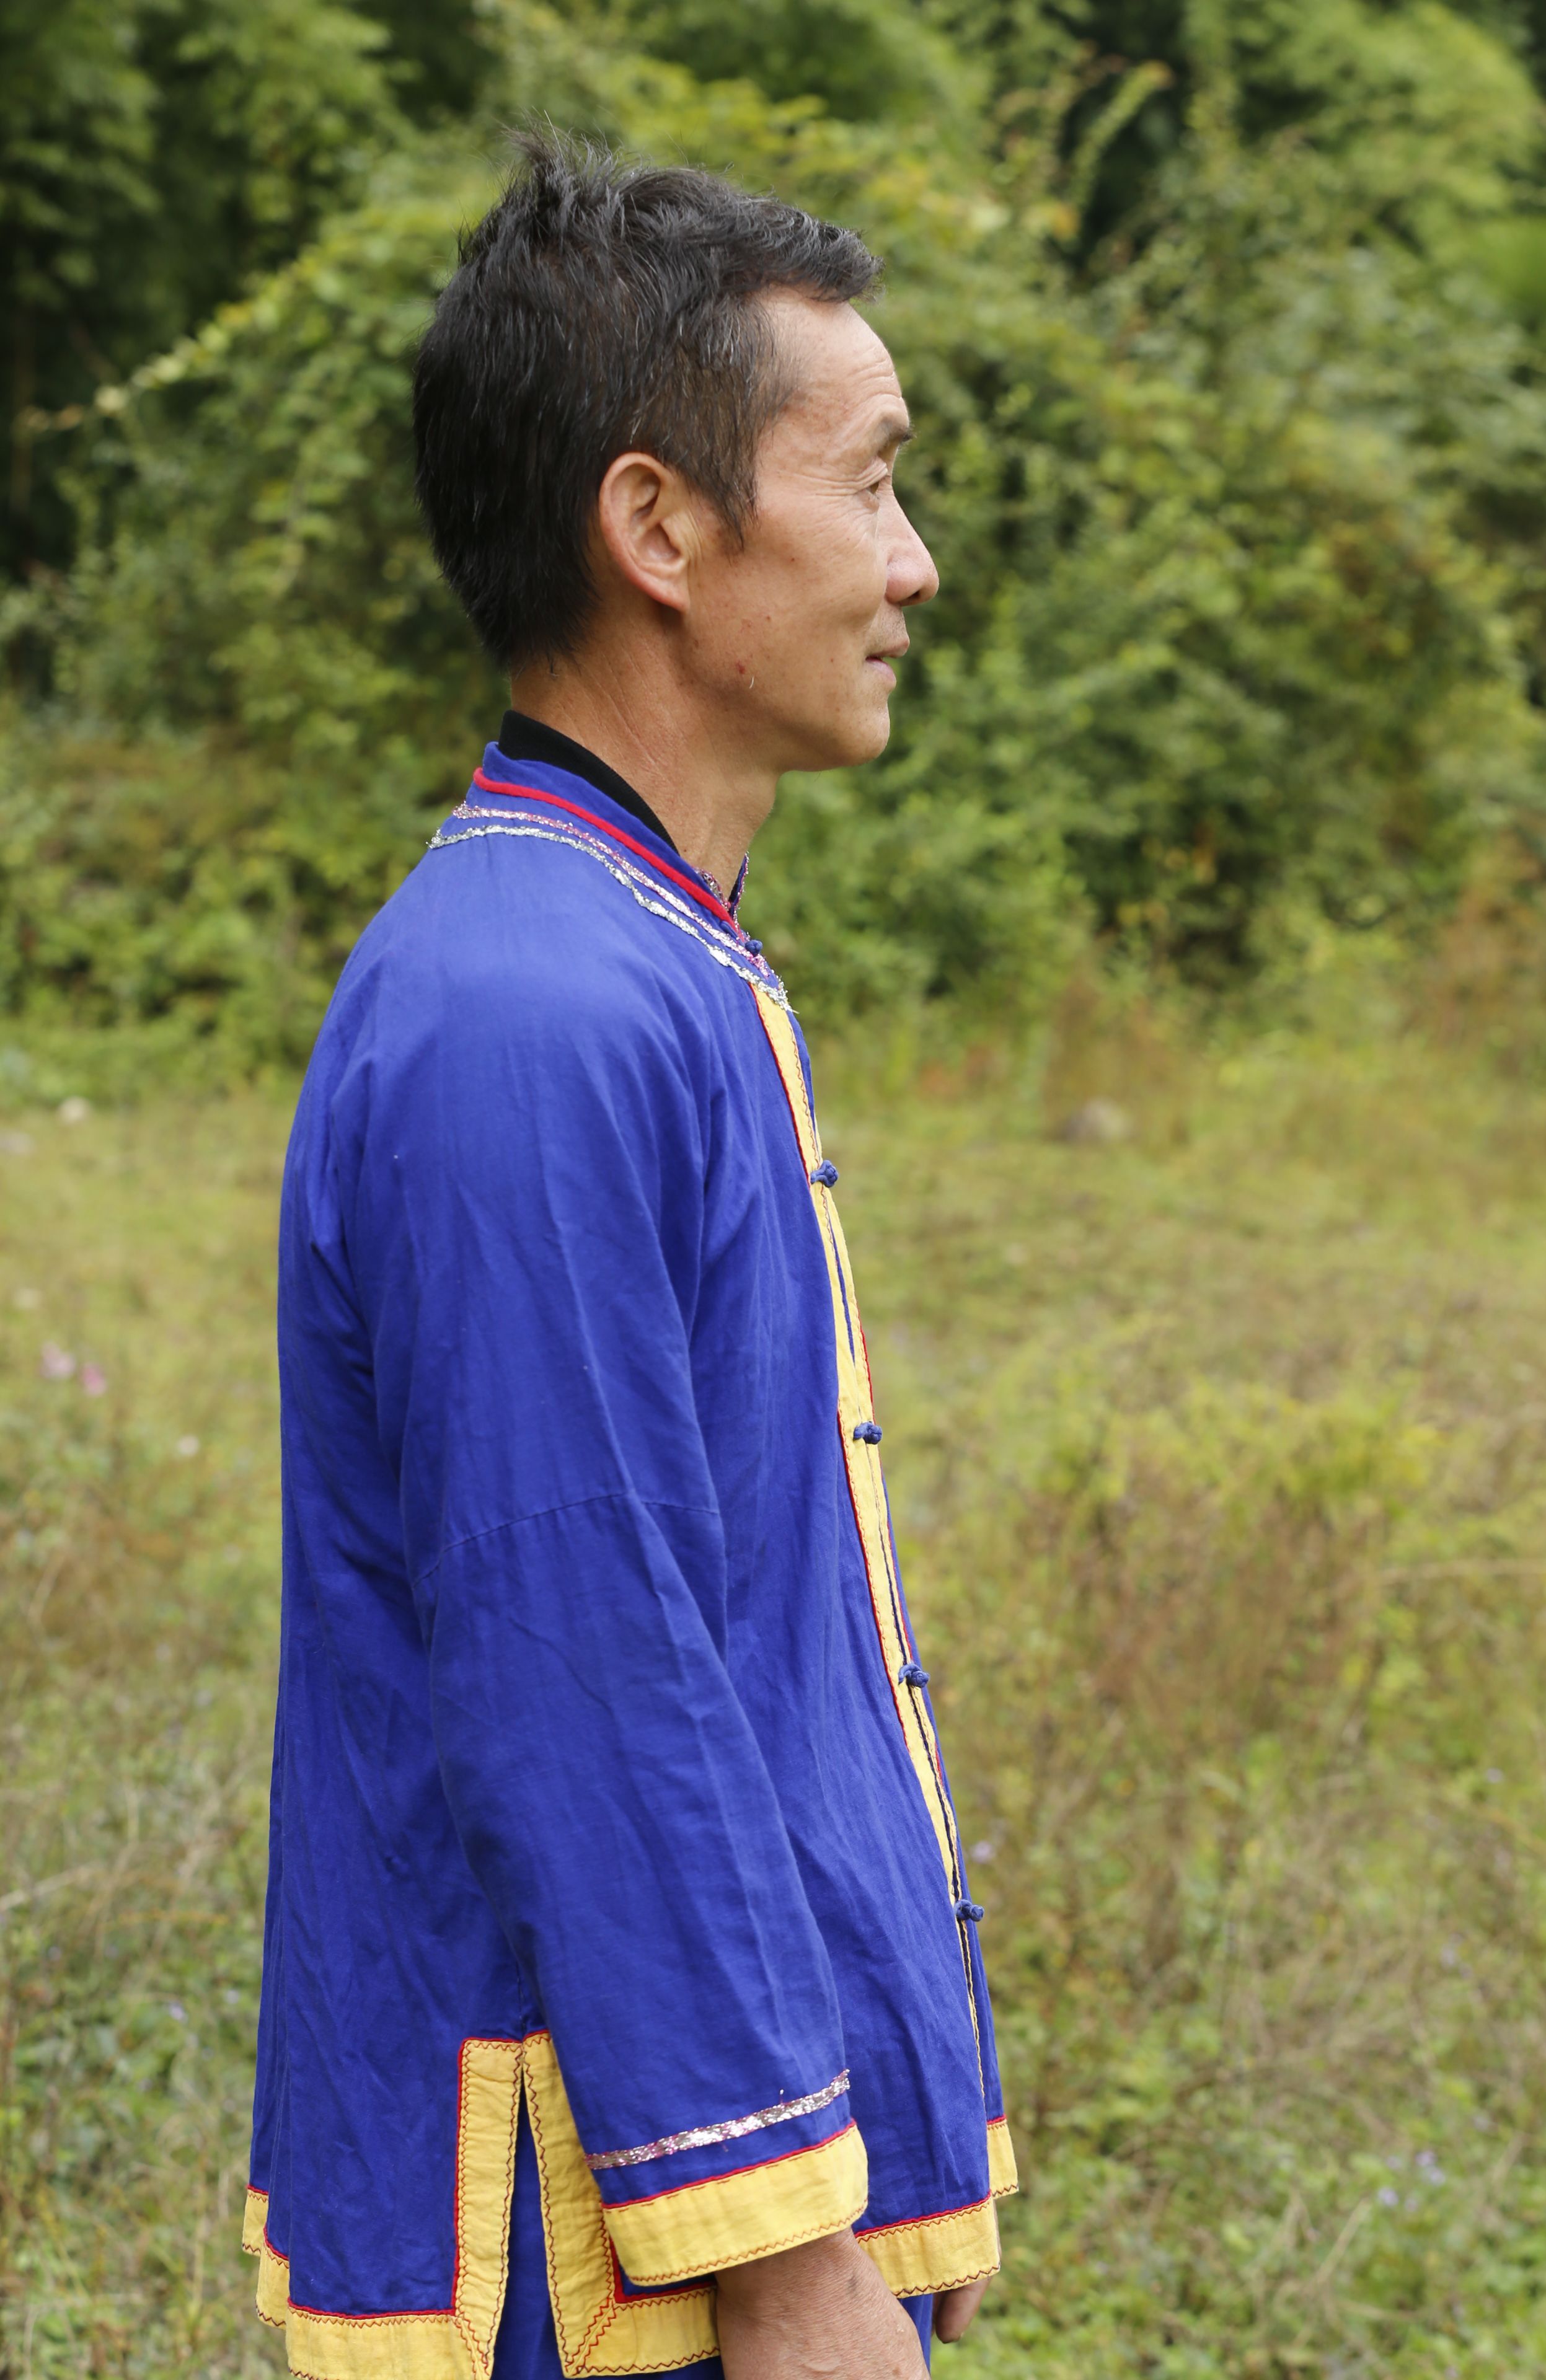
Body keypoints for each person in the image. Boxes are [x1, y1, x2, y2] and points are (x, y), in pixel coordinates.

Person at [242, 132, 1015, 2380]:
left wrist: (868, 2146)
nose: (915, 562)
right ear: (659, 530)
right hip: (598, 2253)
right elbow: (579, 1657)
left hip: (685, 2193)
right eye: (872, 481)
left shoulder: (636, 948)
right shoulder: (530, 1009)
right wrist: (790, 2264)